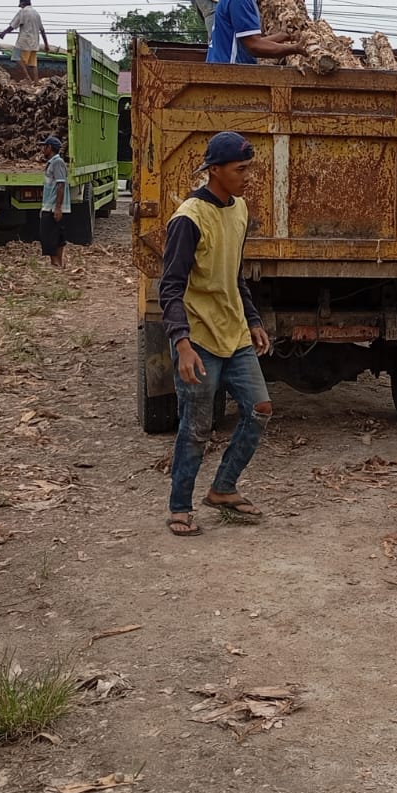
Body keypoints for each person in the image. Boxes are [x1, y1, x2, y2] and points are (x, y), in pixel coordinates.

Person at [157, 131, 273, 537]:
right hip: (200, 338)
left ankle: (223, 488)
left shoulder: (239, 209)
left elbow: (234, 275)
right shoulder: (188, 218)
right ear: (215, 170)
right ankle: (180, 506)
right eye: (241, 170)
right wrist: (181, 343)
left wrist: (254, 320)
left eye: (249, 169)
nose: (248, 177)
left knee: (259, 410)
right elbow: (169, 287)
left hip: (235, 333)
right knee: (197, 426)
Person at [1, 0, 49, 84]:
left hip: (24, 41)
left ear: (22, 4)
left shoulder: (23, 12)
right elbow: (42, 30)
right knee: (33, 63)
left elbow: (13, 26)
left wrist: (4, 33)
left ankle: (28, 78)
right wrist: (46, 44)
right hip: (35, 43)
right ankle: (36, 81)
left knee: (16, 57)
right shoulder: (36, 14)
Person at [38, 134, 69, 267]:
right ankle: (57, 264)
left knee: (51, 237)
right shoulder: (53, 163)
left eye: (44, 147)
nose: (42, 150)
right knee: (56, 236)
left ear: (50, 147)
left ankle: (56, 263)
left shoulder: (57, 163)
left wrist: (57, 207)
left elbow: (61, 185)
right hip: (50, 206)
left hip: (53, 207)